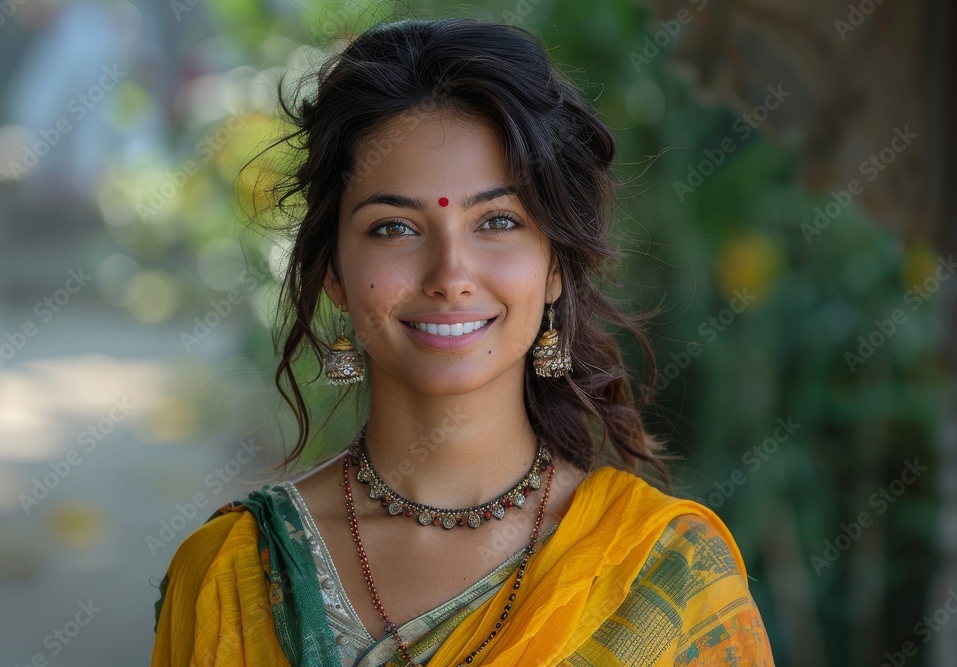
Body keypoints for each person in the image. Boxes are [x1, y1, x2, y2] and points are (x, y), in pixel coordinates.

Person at [150, 16, 775, 667]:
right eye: (394, 228)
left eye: (498, 221)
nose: (450, 275)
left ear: (556, 264)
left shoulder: (663, 575)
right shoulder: (229, 574)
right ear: (334, 270)